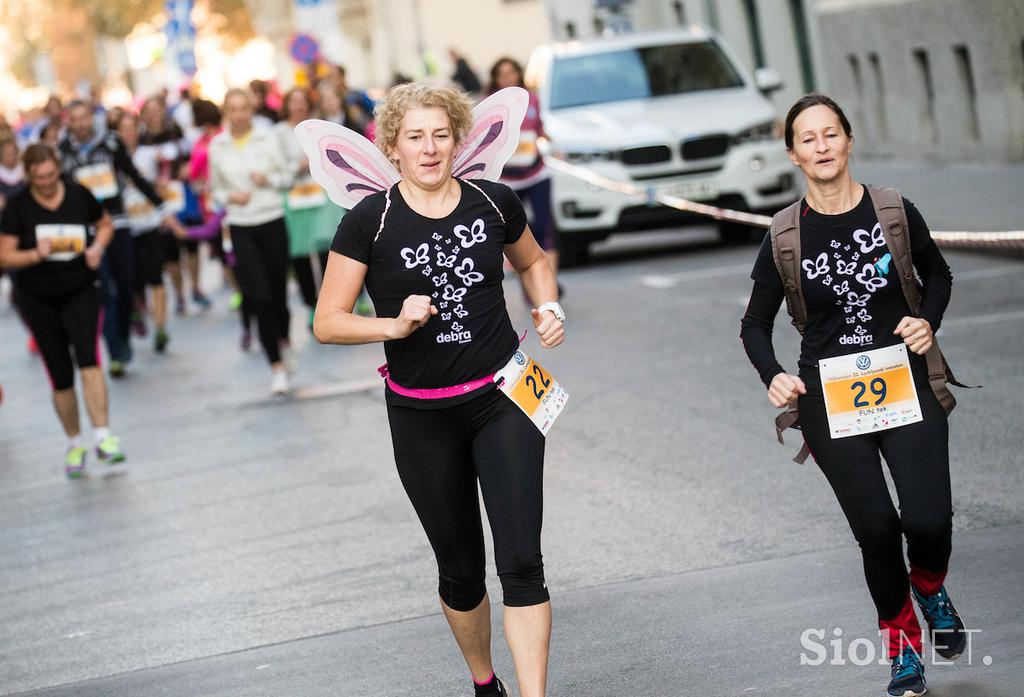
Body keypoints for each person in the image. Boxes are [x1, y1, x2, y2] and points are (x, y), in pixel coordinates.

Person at [313, 83, 565, 697]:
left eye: (441, 135)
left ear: (459, 139)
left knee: (522, 562)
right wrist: (392, 324)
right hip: (422, 416)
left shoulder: (494, 201)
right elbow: (327, 320)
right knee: (460, 571)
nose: (429, 149)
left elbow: (533, 261)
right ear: (392, 147)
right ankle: (485, 682)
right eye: (415, 137)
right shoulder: (369, 221)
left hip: (505, 397)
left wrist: (547, 304)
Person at [739, 94, 965, 697]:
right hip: (829, 399)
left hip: (905, 382)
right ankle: (904, 650)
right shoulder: (785, 234)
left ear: (848, 140)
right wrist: (774, 375)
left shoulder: (893, 210)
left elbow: (938, 274)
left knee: (928, 520)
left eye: (831, 134)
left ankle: (929, 582)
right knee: (876, 529)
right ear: (793, 154)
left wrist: (928, 322)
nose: (822, 147)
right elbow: (753, 324)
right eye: (808, 139)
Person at [0, 144, 126, 476]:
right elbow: (4, 255)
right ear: (28, 176)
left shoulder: (77, 194)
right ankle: (74, 443)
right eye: (38, 177)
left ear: (58, 169)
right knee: (60, 373)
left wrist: (97, 248)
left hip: (80, 288)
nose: (46, 182)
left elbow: (105, 224)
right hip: (38, 297)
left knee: (89, 357)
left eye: (51, 175)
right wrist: (34, 256)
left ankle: (103, 436)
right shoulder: (17, 207)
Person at [58, 99, 183, 377]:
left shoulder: (111, 143)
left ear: (92, 118)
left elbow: (134, 176)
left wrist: (161, 207)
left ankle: (124, 334)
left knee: (126, 285)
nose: (80, 124)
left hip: (119, 222)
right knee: (103, 291)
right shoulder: (63, 150)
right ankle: (115, 350)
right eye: (74, 118)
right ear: (69, 121)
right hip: (88, 231)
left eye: (84, 117)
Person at [209, 88, 294, 394]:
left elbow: (287, 178)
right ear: (226, 113)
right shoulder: (217, 145)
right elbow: (214, 190)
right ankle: (276, 367)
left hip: (271, 219)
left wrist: (267, 180)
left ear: (251, 109)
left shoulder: (267, 137)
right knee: (259, 297)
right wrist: (229, 196)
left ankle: (283, 338)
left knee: (278, 295)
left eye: (244, 108)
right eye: (233, 109)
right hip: (241, 225)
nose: (239, 114)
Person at [488, 57, 561, 298]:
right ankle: (530, 286)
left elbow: (540, 130)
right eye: (502, 73)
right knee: (517, 235)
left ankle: (549, 288)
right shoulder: (491, 106)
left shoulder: (532, 100)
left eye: (512, 72)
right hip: (508, 181)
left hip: (537, 173)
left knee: (545, 228)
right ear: (496, 79)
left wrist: (554, 146)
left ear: (519, 74)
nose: (508, 77)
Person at [276, 87, 344, 330]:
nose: (297, 106)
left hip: (320, 196)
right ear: (286, 105)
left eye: (301, 101)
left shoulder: (317, 126)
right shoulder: (279, 133)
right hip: (294, 198)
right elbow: (276, 164)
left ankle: (330, 303)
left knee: (328, 248)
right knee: (301, 254)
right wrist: (297, 166)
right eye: (292, 101)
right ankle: (311, 305)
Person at [139, 96, 209, 314]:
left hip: (184, 197)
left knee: (191, 244)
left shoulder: (177, 134)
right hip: (160, 202)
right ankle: (179, 294)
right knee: (170, 252)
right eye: (149, 110)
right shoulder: (142, 140)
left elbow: (193, 158)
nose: (154, 114)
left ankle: (196, 287)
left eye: (157, 108)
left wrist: (188, 169)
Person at [116, 111, 172, 352]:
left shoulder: (150, 154)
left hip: (149, 223)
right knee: (132, 280)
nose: (129, 133)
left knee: (156, 276)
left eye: (132, 127)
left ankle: (160, 326)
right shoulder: (112, 158)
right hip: (127, 226)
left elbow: (162, 182)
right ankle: (137, 311)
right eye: (123, 128)